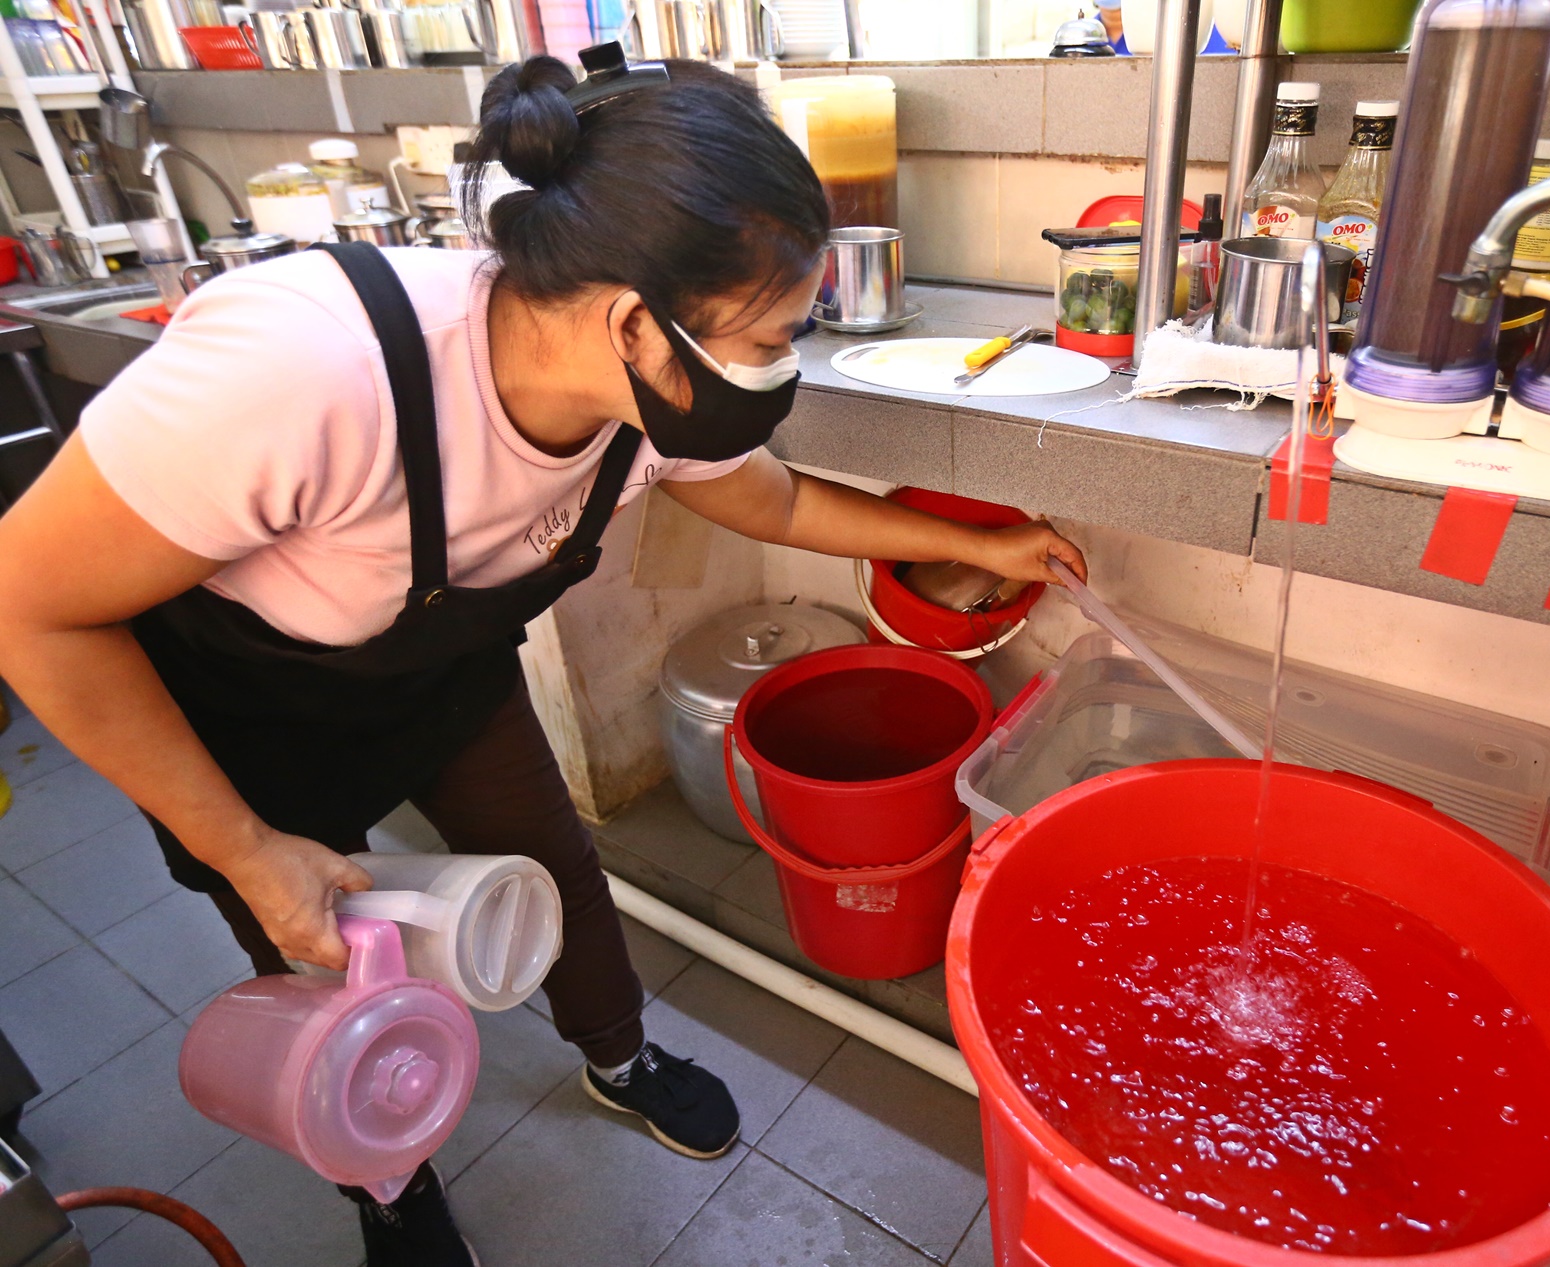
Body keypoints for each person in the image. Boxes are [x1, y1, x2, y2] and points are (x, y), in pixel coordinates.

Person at [0, 52, 1085, 1267]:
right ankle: (389, 1180)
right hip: (248, 719)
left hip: (438, 674)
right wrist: (246, 850)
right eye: (771, 339)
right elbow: (26, 607)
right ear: (631, 320)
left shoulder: (636, 395)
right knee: (318, 954)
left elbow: (771, 503)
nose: (780, 368)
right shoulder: (306, 368)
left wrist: (977, 542)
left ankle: (619, 1056)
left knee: (555, 869)